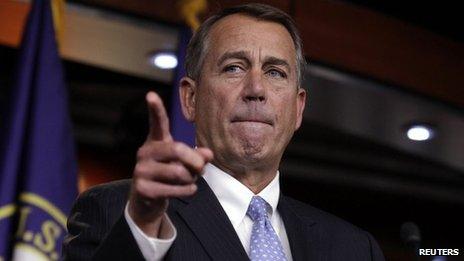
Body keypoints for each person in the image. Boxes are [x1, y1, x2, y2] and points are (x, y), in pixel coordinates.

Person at [62, 3, 385, 261]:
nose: (256, 89)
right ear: (190, 98)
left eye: (275, 72)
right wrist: (142, 228)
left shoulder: (354, 248)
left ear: (298, 108)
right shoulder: (119, 211)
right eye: (234, 67)